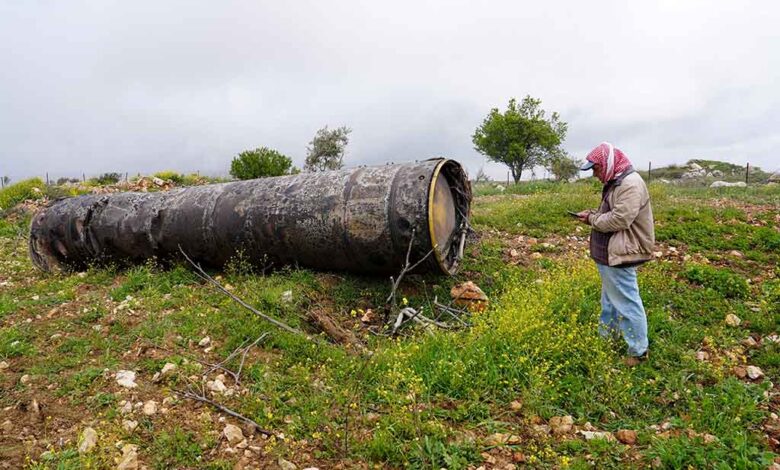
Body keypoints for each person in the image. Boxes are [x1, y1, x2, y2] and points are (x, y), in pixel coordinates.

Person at [576, 142, 655, 366]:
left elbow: (621, 219)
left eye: (595, 169)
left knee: (627, 301)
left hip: (621, 252)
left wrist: (592, 219)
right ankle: (607, 337)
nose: (594, 174)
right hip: (611, 252)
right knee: (610, 300)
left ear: (607, 163)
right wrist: (591, 214)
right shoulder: (617, 181)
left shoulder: (630, 184)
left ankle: (638, 352)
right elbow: (610, 212)